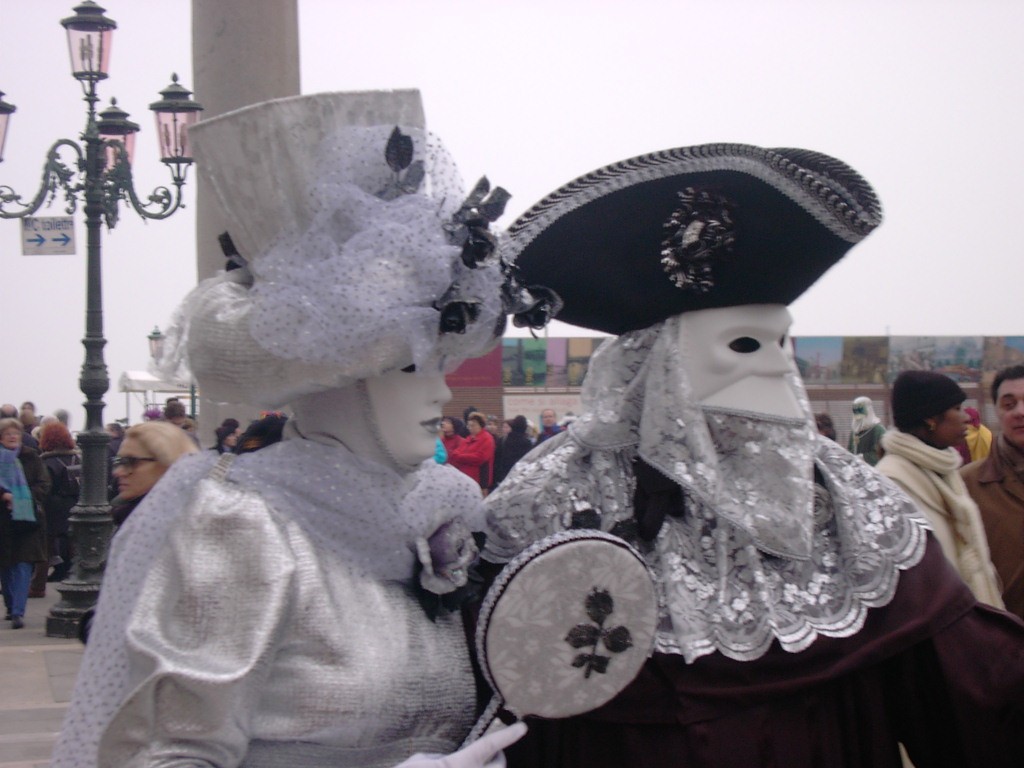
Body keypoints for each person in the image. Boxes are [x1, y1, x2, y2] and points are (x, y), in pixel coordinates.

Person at [51, 90, 556, 768]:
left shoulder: (442, 513)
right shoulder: (242, 523)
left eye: (445, 361)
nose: (441, 389)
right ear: (331, 378)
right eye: (412, 365)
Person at [482, 143, 1024, 766]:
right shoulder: (553, 493)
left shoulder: (842, 496)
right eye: (745, 343)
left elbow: (969, 687)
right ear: (656, 367)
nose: (776, 367)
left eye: (781, 342)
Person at [875, 371, 1003, 608]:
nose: (966, 417)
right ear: (930, 419)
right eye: (957, 408)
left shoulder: (943, 469)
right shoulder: (893, 481)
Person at [962, 364, 1024, 619]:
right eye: (1009, 405)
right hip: (1003, 640)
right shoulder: (967, 486)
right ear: (996, 411)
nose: (1020, 412)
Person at [0, 416, 49, 629]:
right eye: (8, 433)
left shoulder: (32, 457)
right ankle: (11, 606)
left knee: (22, 565)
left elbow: (44, 484)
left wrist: (24, 496)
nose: (12, 436)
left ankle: (19, 611)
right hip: (3, 520)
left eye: (16, 433)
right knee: (6, 566)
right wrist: (4, 495)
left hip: (27, 519)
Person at [109, 421, 199, 528]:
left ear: (168, 465)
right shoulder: (129, 517)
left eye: (132, 461)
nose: (118, 472)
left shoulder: (181, 529)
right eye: (119, 461)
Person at [38, 421, 81, 583]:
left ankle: (48, 574)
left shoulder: (47, 461)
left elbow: (47, 486)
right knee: (70, 538)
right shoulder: (76, 457)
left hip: (54, 504)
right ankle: (69, 569)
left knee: (49, 539)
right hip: (74, 501)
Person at [449, 411, 497, 494]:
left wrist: (461, 457)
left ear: (480, 425)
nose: (470, 428)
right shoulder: (468, 438)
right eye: (469, 425)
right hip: (465, 479)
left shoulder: (487, 439)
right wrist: (464, 456)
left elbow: (480, 458)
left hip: (480, 481)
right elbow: (455, 453)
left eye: (473, 425)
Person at [491, 415, 533, 489]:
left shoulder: (504, 440)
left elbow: (497, 459)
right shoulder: (527, 442)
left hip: (505, 476)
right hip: (521, 476)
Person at [847, 395, 886, 465]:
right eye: (855, 411)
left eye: (860, 410)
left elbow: (880, 454)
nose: (858, 415)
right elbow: (849, 451)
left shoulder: (878, 430)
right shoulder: (854, 432)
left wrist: (863, 458)